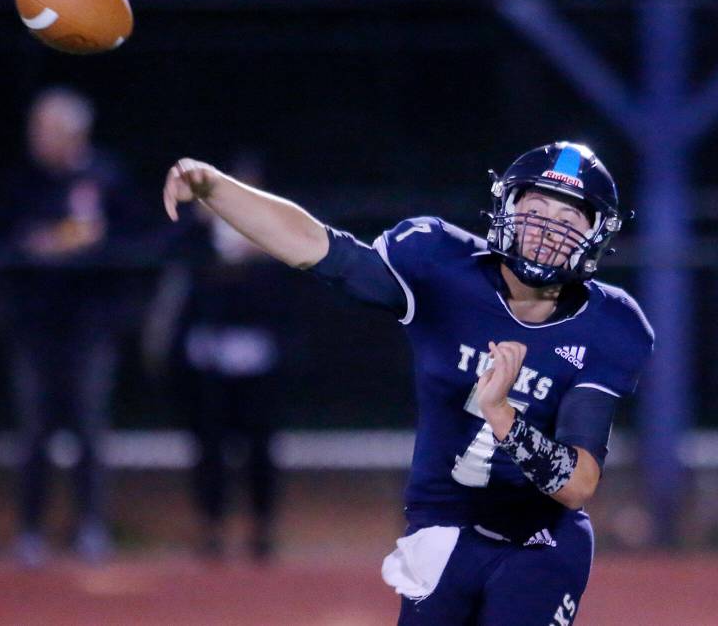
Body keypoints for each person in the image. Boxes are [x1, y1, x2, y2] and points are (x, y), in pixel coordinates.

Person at [162, 142, 653, 625]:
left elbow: (577, 485)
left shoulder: (609, 324)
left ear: (596, 236)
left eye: (567, 220)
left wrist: (503, 414)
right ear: (505, 207)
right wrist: (216, 189)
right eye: (536, 208)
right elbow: (318, 247)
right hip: (441, 526)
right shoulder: (440, 262)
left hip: (542, 541)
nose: (546, 229)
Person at [8, 87, 135, 565]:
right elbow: (13, 240)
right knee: (34, 431)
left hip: (90, 327)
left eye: (47, 130)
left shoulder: (106, 176)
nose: (37, 139)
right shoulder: (24, 180)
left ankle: (92, 526)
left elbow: (125, 240)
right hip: (36, 328)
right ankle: (30, 531)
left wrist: (68, 247)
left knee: (89, 430)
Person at [153, 152, 288, 561]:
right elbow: (168, 259)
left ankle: (261, 528)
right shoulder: (197, 230)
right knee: (209, 445)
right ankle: (210, 526)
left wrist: (259, 253)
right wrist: (200, 226)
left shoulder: (276, 231)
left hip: (257, 355)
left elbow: (290, 290)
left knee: (260, 446)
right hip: (208, 356)